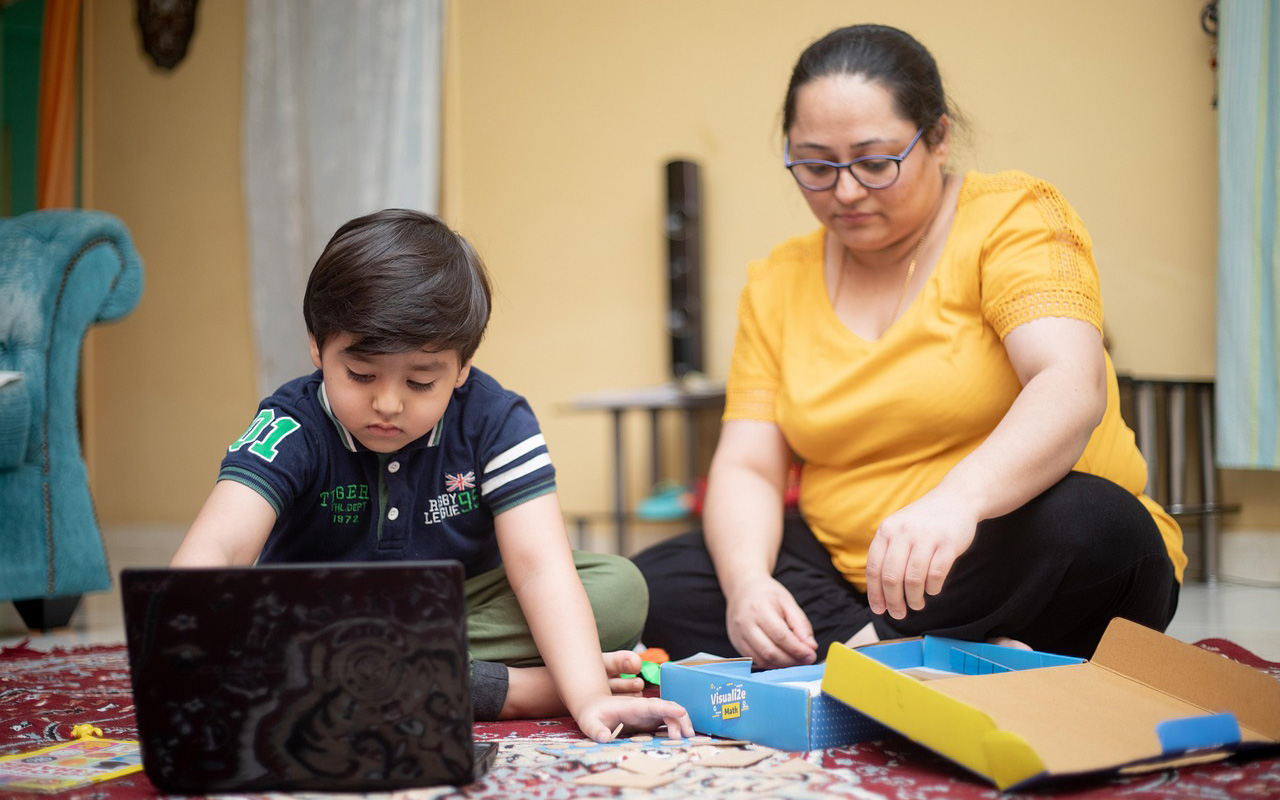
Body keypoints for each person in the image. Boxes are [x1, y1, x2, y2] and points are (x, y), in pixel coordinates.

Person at [633, 24, 1184, 665]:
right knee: (661, 578)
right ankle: (926, 653)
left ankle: (863, 655)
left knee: (1094, 523)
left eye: (875, 162)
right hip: (855, 574)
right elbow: (749, 466)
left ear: (939, 137)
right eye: (814, 165)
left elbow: (1070, 383)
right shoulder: (778, 279)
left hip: (997, 550)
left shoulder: (1012, 216)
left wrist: (958, 502)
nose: (845, 191)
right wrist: (749, 587)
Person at [172, 208, 691, 742]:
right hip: (320, 622)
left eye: (421, 382)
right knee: (250, 626)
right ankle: (511, 689)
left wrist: (587, 698)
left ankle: (377, 676)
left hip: (450, 610)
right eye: (360, 375)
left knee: (618, 589)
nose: (388, 403)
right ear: (316, 346)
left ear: (462, 367)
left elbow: (539, 567)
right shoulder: (290, 424)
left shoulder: (496, 418)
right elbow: (217, 550)